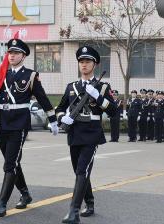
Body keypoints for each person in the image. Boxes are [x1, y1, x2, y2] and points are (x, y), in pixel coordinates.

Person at [0, 38, 59, 217]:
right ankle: (25, 193)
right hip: (2, 121)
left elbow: (43, 98)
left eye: (15, 53)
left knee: (9, 164)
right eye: (10, 53)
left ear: (23, 56)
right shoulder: (1, 74)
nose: (11, 55)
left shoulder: (30, 76)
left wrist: (52, 120)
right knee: (12, 162)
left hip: (19, 123)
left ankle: (2, 203)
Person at [55, 46, 116, 224]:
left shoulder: (103, 87)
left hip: (91, 133)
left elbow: (113, 111)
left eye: (87, 61)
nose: (84, 65)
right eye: (81, 61)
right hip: (74, 133)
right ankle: (89, 203)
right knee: (80, 171)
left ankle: (73, 211)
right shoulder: (71, 87)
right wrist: (62, 118)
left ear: (94, 64)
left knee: (82, 170)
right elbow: (59, 108)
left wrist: (97, 96)